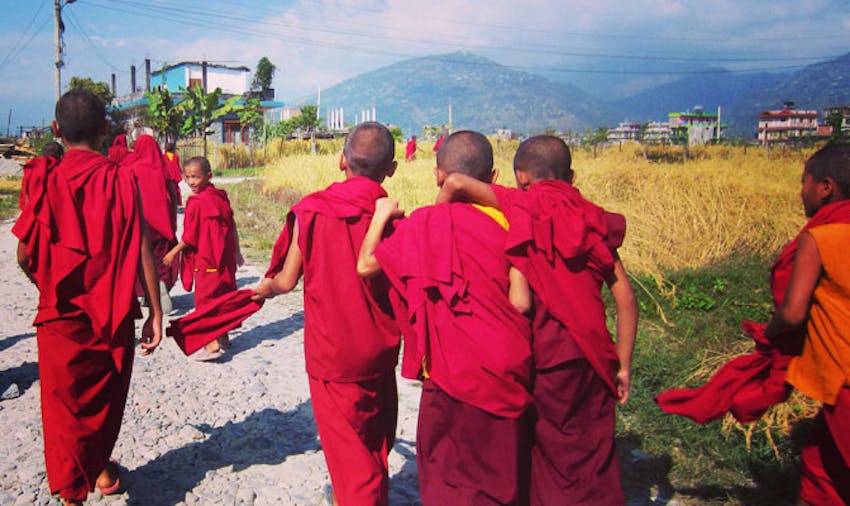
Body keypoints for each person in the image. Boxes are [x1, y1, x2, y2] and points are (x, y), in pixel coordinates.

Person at [437, 134, 638, 505]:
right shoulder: (591, 219)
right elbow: (625, 299)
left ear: (521, 177)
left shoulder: (525, 204)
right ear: (571, 177)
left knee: (546, 456)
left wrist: (437, 225)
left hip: (546, 357)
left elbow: (456, 182)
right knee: (592, 453)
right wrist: (623, 365)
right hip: (594, 356)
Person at [357, 130, 534, 505]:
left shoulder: (425, 223)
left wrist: (381, 215)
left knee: (445, 478)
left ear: (438, 174)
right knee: (499, 479)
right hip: (503, 367)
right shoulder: (515, 221)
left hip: (447, 371)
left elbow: (367, 264)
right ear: (494, 177)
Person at [12, 88, 163, 506]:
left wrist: (48, 285)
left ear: (55, 129)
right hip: (111, 311)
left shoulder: (46, 178)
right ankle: (99, 470)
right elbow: (143, 248)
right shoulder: (121, 178)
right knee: (103, 400)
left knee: (65, 410)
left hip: (60, 315)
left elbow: (24, 255)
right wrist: (155, 311)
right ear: (104, 130)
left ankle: (75, 492)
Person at [252, 122, 402, 505]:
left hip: (332, 354)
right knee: (375, 435)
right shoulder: (391, 218)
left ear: (341, 160)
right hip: (379, 349)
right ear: (391, 169)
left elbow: (287, 280)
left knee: (350, 449)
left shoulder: (313, 210)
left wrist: (264, 289)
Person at [763, 144, 850, 506]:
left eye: (805, 181)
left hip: (846, 383)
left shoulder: (821, 238)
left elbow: (793, 313)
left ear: (825, 187)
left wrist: (768, 334)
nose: (802, 191)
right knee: (820, 463)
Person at [163, 156, 243, 361]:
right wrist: (236, 252)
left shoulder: (197, 202)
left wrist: (173, 252)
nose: (191, 182)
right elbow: (231, 224)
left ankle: (212, 343)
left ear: (209, 176)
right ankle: (224, 337)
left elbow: (191, 237)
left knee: (205, 300)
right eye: (188, 177)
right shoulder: (220, 196)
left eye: (196, 177)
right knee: (223, 296)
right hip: (223, 259)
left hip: (207, 259)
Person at [125, 135, 179, 303]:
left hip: (141, 221)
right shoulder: (161, 168)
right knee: (162, 254)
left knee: (142, 255)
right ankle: (161, 282)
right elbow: (173, 194)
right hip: (161, 220)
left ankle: (144, 291)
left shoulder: (131, 168)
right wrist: (172, 218)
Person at [163, 141, 183, 207]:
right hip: (175, 175)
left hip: (167, 175)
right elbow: (179, 165)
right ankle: (176, 202)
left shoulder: (163, 156)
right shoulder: (175, 156)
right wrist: (182, 172)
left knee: (167, 189)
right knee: (176, 189)